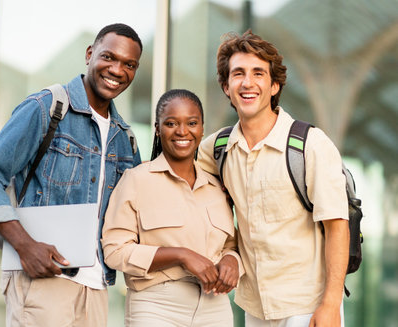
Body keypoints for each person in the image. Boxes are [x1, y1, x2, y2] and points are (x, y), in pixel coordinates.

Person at [0, 23, 143, 327]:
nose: (117, 70)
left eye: (129, 64)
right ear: (90, 54)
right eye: (109, 57)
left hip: (97, 287)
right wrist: (25, 246)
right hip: (43, 281)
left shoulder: (124, 138)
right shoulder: (48, 107)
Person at [197, 30, 350, 327]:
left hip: (307, 305)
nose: (247, 82)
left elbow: (337, 226)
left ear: (274, 85)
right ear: (226, 86)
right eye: (238, 73)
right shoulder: (215, 150)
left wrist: (331, 304)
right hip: (253, 307)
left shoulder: (310, 145)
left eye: (258, 73)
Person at [101, 89, 243, 327]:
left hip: (215, 308)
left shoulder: (216, 186)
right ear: (157, 128)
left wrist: (232, 261)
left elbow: (230, 245)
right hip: (156, 306)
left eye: (192, 123)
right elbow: (114, 251)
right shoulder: (136, 180)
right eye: (171, 123)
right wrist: (181, 255)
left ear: (202, 129)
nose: (182, 131)